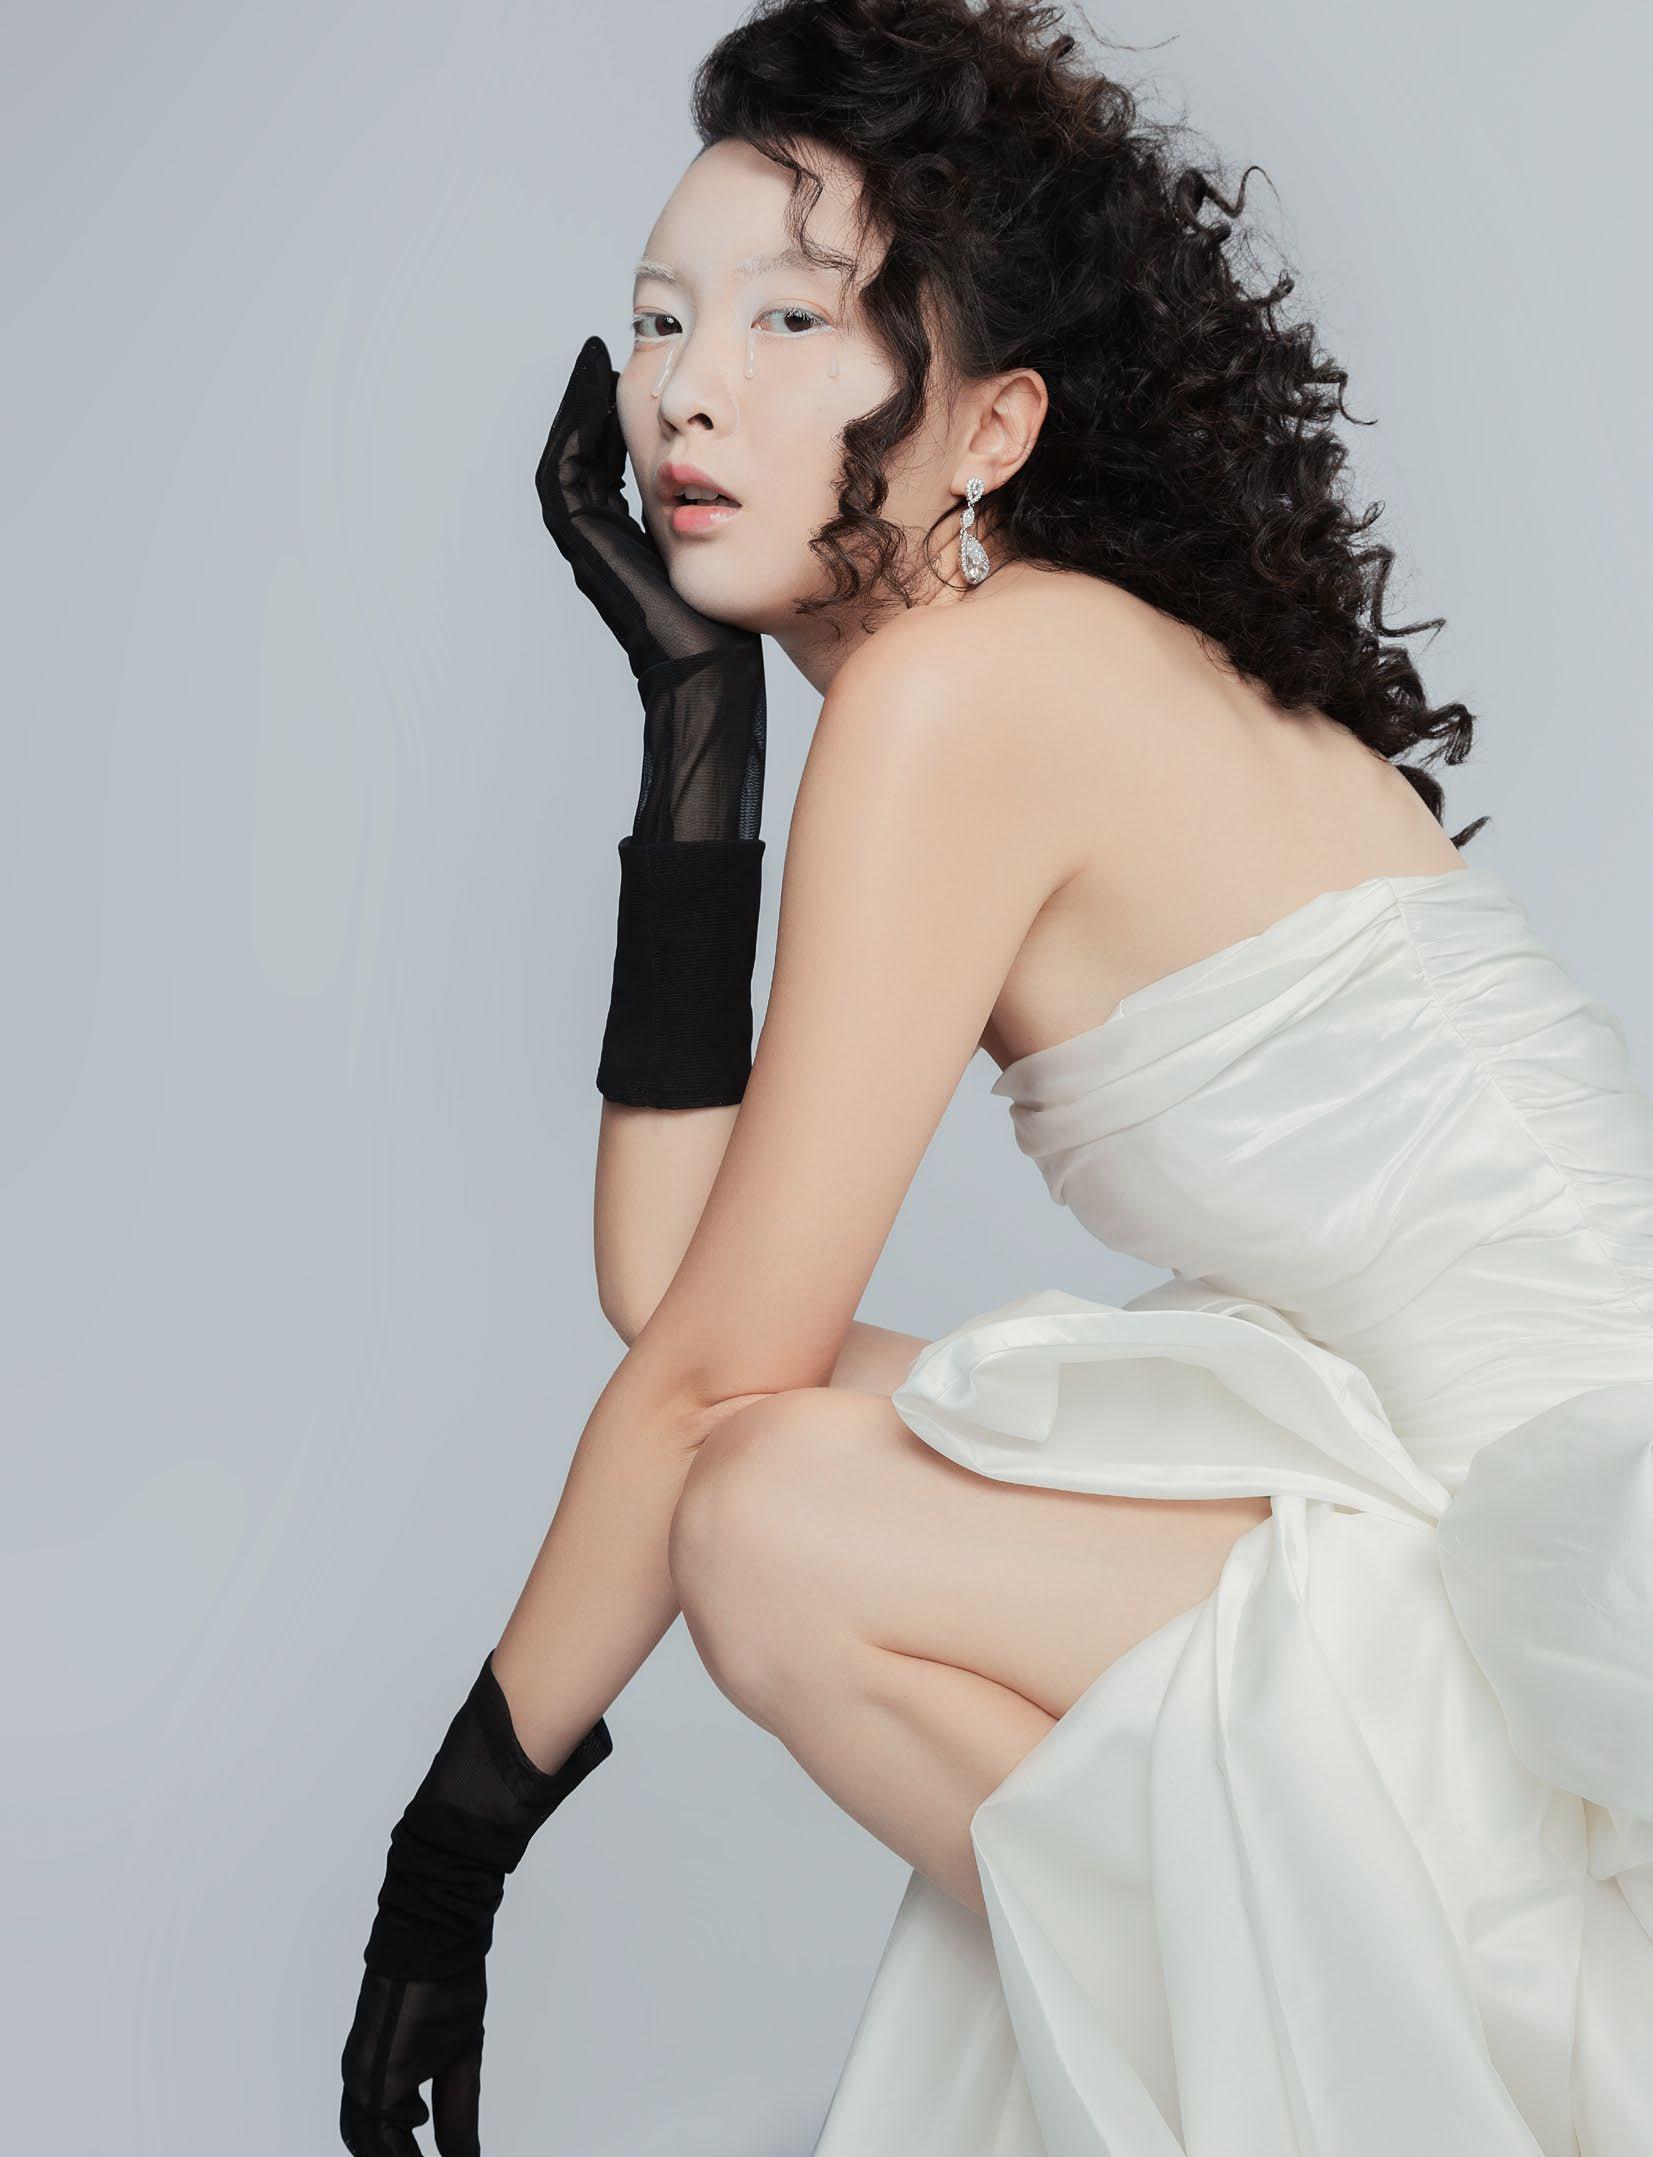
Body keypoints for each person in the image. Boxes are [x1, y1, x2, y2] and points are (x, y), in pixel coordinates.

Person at [339, 2, 1653, 2151]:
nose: (685, 386)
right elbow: (683, 1301)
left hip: (1546, 1602)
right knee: (753, 1477)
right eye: (658, 319)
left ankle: (1335, 2060)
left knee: (761, 1510)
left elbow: (709, 1377)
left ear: (989, 423)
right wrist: (696, 732)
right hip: (1428, 1522)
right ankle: (1299, 2044)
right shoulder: (1021, 669)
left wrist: (449, 1852)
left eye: (788, 317)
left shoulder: (977, 691)